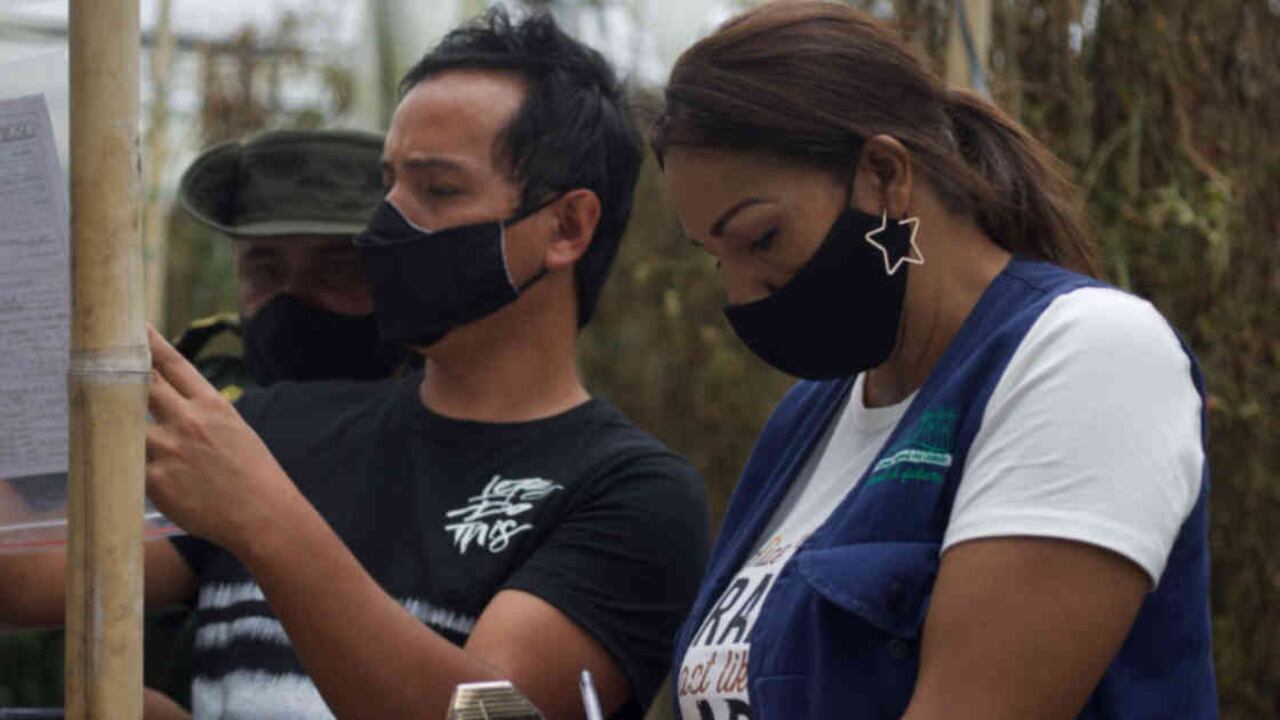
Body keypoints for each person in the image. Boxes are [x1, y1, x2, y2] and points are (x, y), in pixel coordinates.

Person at [651, 3, 1215, 719]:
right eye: (715, 258)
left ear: (885, 175)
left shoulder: (1086, 355)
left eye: (761, 239)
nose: (741, 295)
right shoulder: (809, 415)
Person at [140, 9, 707, 720]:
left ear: (566, 226)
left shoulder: (630, 494)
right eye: (390, 186)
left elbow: (486, 714)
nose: (385, 225)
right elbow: (31, 574)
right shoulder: (276, 425)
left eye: (438, 191)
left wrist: (266, 520)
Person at [174, 128, 406, 398]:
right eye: (266, 270)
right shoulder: (190, 402)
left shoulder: (450, 412)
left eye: (336, 270)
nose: (292, 297)